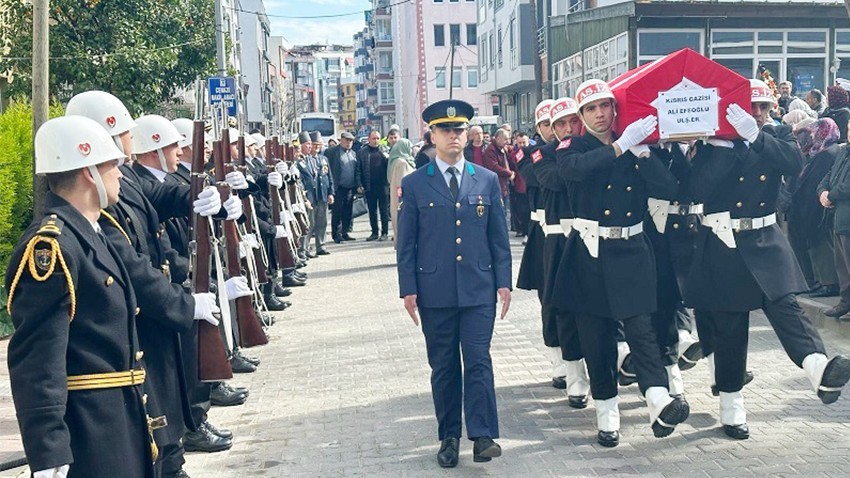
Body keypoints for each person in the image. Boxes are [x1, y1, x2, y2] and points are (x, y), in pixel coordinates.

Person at [687, 79, 850, 440]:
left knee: (787, 307)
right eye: (751, 107)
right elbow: (698, 190)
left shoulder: (778, 136)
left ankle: (819, 369)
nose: (757, 113)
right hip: (724, 241)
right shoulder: (713, 144)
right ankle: (732, 406)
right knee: (730, 327)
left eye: (762, 107)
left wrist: (754, 137)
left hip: (763, 237)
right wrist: (724, 146)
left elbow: (794, 163)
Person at [5, 116, 157, 478]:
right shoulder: (53, 248)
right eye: (112, 166)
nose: (121, 174)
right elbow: (38, 359)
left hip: (118, 420)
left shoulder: (91, 234)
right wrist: (48, 448)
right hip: (89, 433)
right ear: (89, 172)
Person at [552, 79, 688, 447]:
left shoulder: (634, 146)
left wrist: (643, 152)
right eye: (591, 108)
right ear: (581, 116)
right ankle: (607, 411)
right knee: (596, 337)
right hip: (590, 253)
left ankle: (658, 399)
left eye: (605, 106)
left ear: (615, 109)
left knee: (642, 329)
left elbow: (669, 188)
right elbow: (574, 171)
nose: (600, 114)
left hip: (631, 250)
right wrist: (620, 146)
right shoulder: (572, 146)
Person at [396, 99, 511, 468]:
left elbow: (499, 238)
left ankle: (483, 435)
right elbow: (407, 242)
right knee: (444, 366)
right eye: (445, 130)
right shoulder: (416, 183)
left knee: (478, 360)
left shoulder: (486, 179)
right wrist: (407, 287)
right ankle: (448, 436)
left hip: (479, 289)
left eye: (459, 129)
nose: (453, 136)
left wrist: (504, 282)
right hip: (435, 290)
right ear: (432, 135)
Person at [787, 119, 841, 298]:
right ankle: (822, 282)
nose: (812, 135)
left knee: (821, 245)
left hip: (819, 207)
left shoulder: (827, 154)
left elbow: (816, 183)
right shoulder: (823, 151)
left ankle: (829, 283)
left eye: (815, 132)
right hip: (814, 206)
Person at [299, 131, 335, 256]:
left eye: (319, 145)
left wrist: (331, 193)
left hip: (322, 195)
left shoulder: (323, 159)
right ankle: (305, 247)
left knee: (322, 221)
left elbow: (329, 177)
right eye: (314, 144)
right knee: (310, 223)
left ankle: (321, 245)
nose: (316, 147)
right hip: (311, 196)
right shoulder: (305, 160)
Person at [356, 130, 390, 241]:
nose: (376, 141)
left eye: (377, 138)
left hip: (383, 185)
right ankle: (374, 232)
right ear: (369, 139)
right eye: (373, 138)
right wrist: (359, 184)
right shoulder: (362, 152)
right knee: (372, 210)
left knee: (384, 210)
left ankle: (384, 233)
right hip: (369, 185)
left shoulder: (384, 151)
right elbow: (358, 170)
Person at [326, 131, 359, 242]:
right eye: (347, 140)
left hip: (350, 187)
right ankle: (336, 234)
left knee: (348, 211)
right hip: (338, 187)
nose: (349, 143)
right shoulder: (332, 152)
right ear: (341, 140)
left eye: (351, 141)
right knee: (337, 211)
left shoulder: (353, 153)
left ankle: (345, 232)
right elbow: (327, 169)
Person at [387, 138, 417, 246]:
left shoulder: (397, 161)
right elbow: (401, 184)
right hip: (403, 200)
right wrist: (402, 199)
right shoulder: (402, 163)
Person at [481, 129, 514, 205]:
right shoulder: (491, 150)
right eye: (506, 139)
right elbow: (494, 167)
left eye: (509, 138)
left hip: (505, 184)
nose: (508, 141)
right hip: (497, 185)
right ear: (498, 138)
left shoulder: (503, 148)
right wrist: (509, 173)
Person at [507, 132, 530, 237]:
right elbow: (511, 167)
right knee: (522, 211)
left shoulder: (534, 151)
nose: (522, 145)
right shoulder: (513, 154)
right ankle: (524, 231)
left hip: (531, 186)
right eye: (520, 143)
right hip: (519, 186)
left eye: (524, 142)